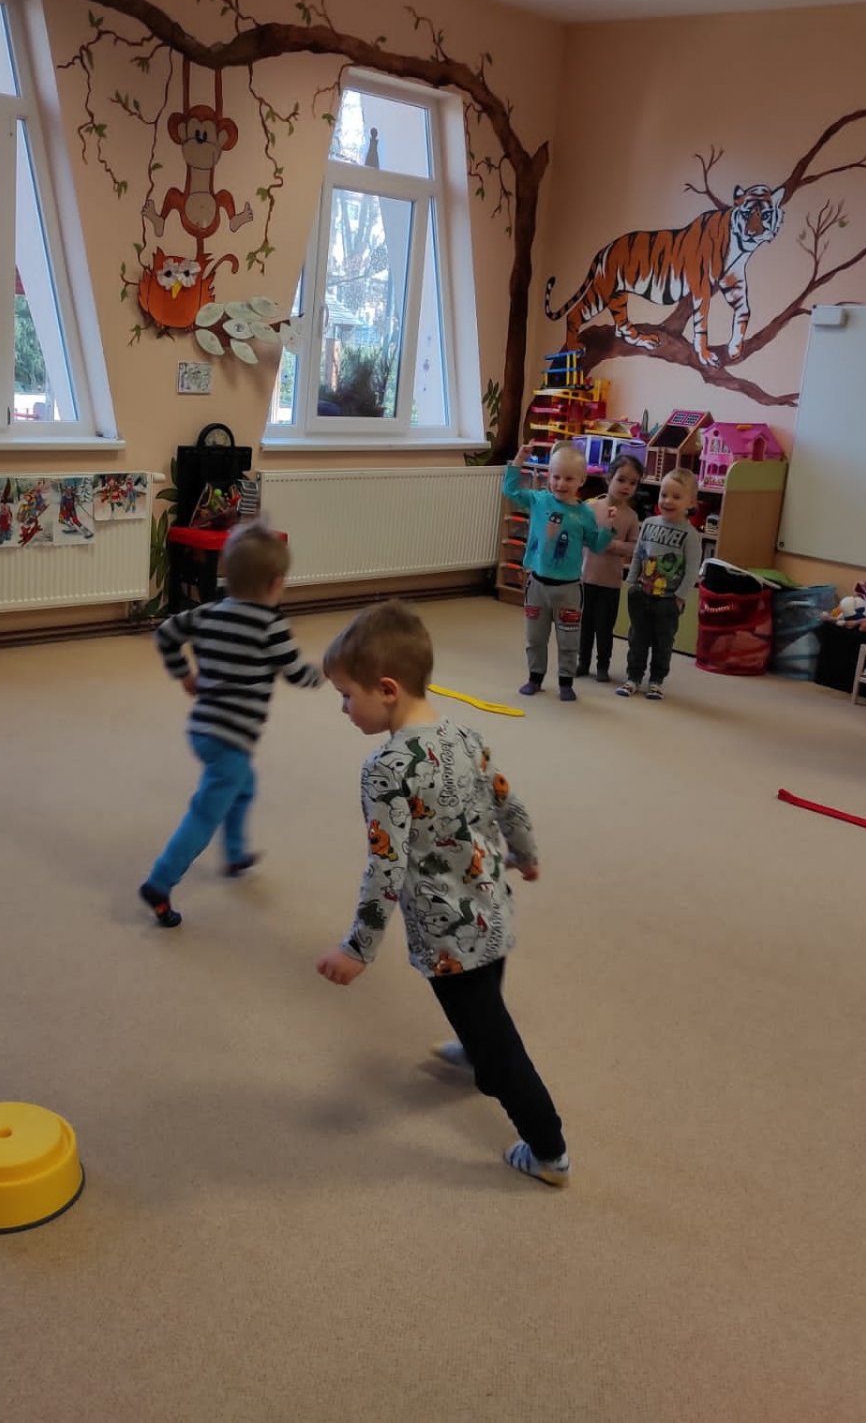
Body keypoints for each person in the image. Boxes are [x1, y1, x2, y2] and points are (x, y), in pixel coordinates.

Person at [315, 601, 571, 1187]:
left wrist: (358, 947)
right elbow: (507, 800)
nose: (343, 708)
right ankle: (475, 1047)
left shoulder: (386, 767)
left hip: (449, 937)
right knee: (486, 1005)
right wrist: (526, 853)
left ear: (386, 689)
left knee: (500, 1047)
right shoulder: (465, 733)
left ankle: (548, 1150)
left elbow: (385, 865)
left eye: (347, 696)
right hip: (492, 907)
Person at [140, 523, 321, 928]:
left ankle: (235, 854)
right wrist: (325, 670)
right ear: (276, 583)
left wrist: (183, 674)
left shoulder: (208, 613)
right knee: (205, 814)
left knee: (244, 786)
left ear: (227, 573)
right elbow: (297, 674)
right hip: (231, 739)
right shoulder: (271, 625)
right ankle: (159, 883)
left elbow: (166, 634)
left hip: (203, 729)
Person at [502, 445, 614, 701]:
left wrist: (608, 528)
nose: (561, 484)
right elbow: (510, 490)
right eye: (556, 477)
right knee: (535, 637)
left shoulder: (585, 513)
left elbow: (596, 546)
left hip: (569, 589)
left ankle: (566, 681)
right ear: (548, 476)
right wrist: (518, 460)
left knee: (568, 638)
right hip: (537, 585)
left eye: (569, 478)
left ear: (581, 480)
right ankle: (535, 678)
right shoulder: (539, 500)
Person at [617, 467, 701, 700]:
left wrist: (680, 597)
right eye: (664, 494)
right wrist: (631, 581)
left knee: (663, 642)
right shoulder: (649, 523)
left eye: (676, 497)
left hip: (668, 600)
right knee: (637, 638)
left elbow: (692, 569)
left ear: (690, 502)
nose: (667, 501)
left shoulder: (690, 535)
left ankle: (656, 681)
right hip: (642, 593)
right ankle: (633, 677)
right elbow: (638, 553)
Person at [576, 457, 642, 683]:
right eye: (621, 479)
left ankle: (602, 664)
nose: (626, 486)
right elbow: (580, 535)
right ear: (608, 478)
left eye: (633, 483)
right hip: (586, 578)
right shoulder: (591, 507)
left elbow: (634, 547)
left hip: (611, 583)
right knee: (585, 626)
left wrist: (613, 546)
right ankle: (583, 662)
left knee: (605, 628)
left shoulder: (631, 517)